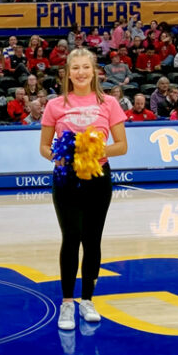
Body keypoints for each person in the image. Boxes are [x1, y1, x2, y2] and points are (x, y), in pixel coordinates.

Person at [39, 48, 127, 331]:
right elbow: (43, 146)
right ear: (67, 72)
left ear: (94, 71)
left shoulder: (109, 103)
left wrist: (91, 149)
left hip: (98, 177)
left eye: (85, 67)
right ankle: (67, 302)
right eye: (75, 68)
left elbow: (122, 146)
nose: (80, 72)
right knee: (71, 237)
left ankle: (87, 299)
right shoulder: (54, 105)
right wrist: (59, 155)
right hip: (66, 179)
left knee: (92, 239)